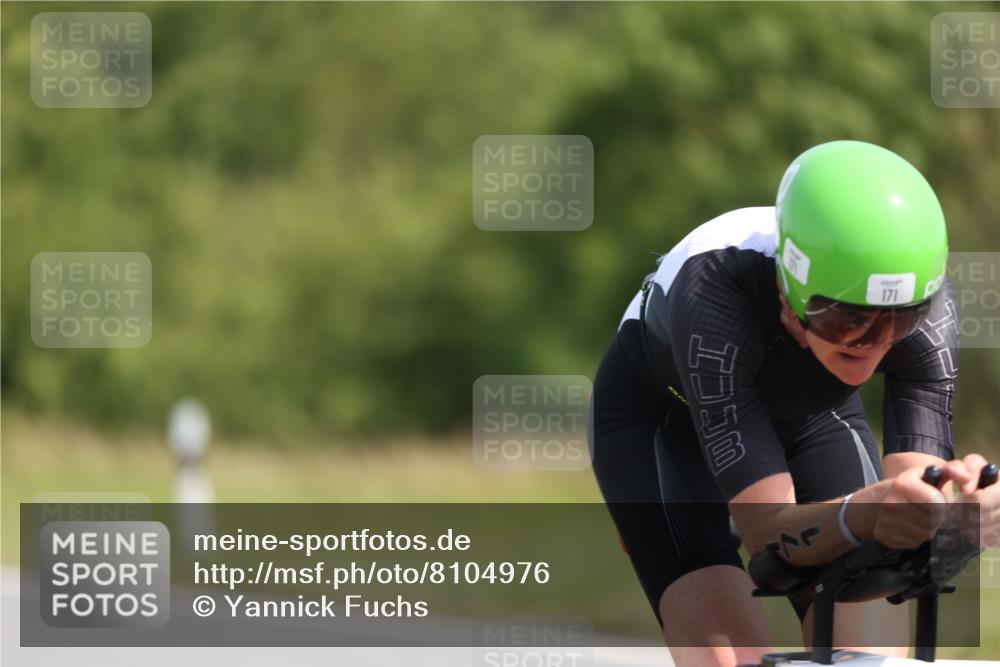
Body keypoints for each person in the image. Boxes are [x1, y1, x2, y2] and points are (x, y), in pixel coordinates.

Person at [591, 140, 991, 666]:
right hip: (664, 425)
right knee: (731, 657)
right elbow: (769, 540)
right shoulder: (715, 293)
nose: (871, 342)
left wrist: (959, 518)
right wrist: (865, 512)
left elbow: (920, 493)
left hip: (811, 415)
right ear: (788, 289)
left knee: (870, 654)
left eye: (900, 320)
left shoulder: (926, 305)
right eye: (844, 318)